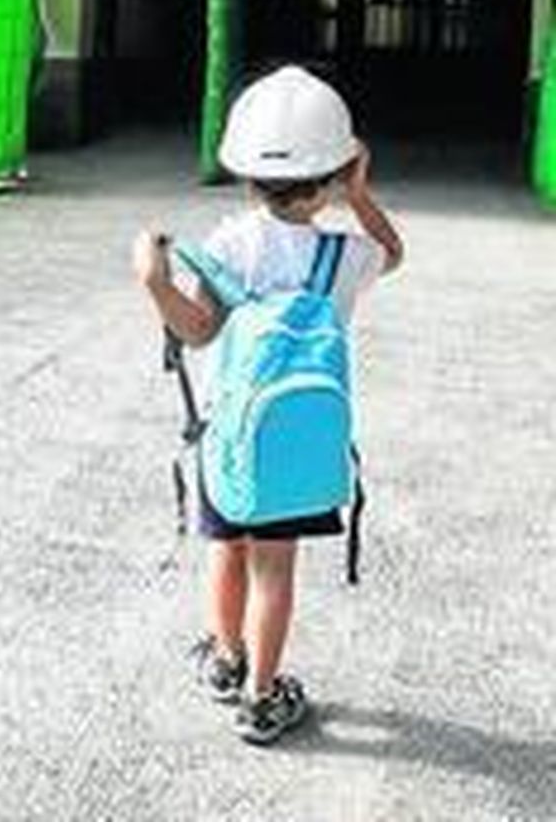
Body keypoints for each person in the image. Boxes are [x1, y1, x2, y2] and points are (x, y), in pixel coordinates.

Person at [131, 65, 403, 744]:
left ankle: (227, 660)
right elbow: (393, 253)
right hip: (299, 444)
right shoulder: (345, 256)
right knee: (274, 569)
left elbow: (196, 331)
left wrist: (154, 282)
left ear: (246, 174)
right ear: (337, 172)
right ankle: (262, 697)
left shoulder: (229, 245)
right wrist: (361, 196)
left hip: (232, 434)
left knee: (226, 548)